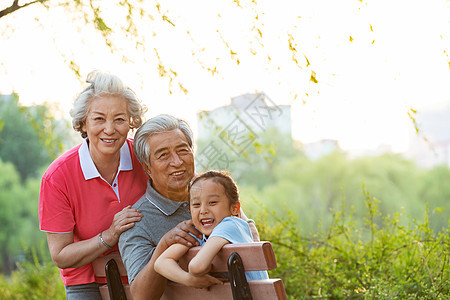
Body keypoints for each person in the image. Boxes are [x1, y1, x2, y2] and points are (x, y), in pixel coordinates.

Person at [118, 114, 260, 300]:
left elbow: (252, 240)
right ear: (148, 168)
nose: (177, 162)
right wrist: (163, 245)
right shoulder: (137, 222)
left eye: (182, 150)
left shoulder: (215, 195)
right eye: (163, 155)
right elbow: (140, 296)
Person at [39, 70, 148, 299]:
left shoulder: (146, 156)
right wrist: (109, 236)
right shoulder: (58, 177)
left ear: (130, 123)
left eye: (119, 119)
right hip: (88, 281)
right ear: (83, 123)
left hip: (147, 270)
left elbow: (198, 190)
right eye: (99, 119)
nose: (109, 129)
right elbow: (61, 255)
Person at [154, 170, 268, 287]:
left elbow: (196, 267)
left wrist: (194, 274)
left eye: (212, 202)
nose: (203, 210)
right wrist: (190, 280)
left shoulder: (231, 225)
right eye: (196, 204)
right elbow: (160, 263)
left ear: (234, 209)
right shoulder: (198, 233)